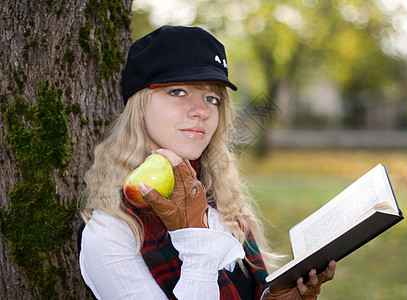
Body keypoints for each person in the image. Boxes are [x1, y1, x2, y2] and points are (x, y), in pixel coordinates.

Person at [79, 25, 336, 300]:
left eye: (211, 98)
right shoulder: (111, 232)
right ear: (139, 105)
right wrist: (194, 237)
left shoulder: (222, 203)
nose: (201, 110)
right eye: (178, 91)